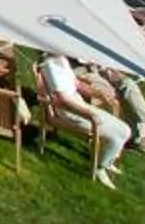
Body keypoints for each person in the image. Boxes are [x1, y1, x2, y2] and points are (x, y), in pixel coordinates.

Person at [39, 51, 131, 186]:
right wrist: (89, 113)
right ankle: (99, 168)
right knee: (115, 138)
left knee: (126, 130)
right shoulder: (49, 66)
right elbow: (62, 99)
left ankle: (107, 161)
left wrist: (100, 94)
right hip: (70, 112)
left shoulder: (61, 60)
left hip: (81, 106)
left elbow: (77, 84)